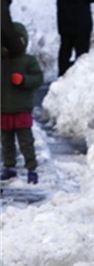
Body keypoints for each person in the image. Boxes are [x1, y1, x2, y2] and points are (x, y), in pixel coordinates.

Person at [2, 21, 45, 184]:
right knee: (6, 141)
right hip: (3, 108)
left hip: (21, 108)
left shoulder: (28, 61)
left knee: (26, 141)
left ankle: (31, 168)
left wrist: (24, 80)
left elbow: (38, 78)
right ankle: (9, 167)